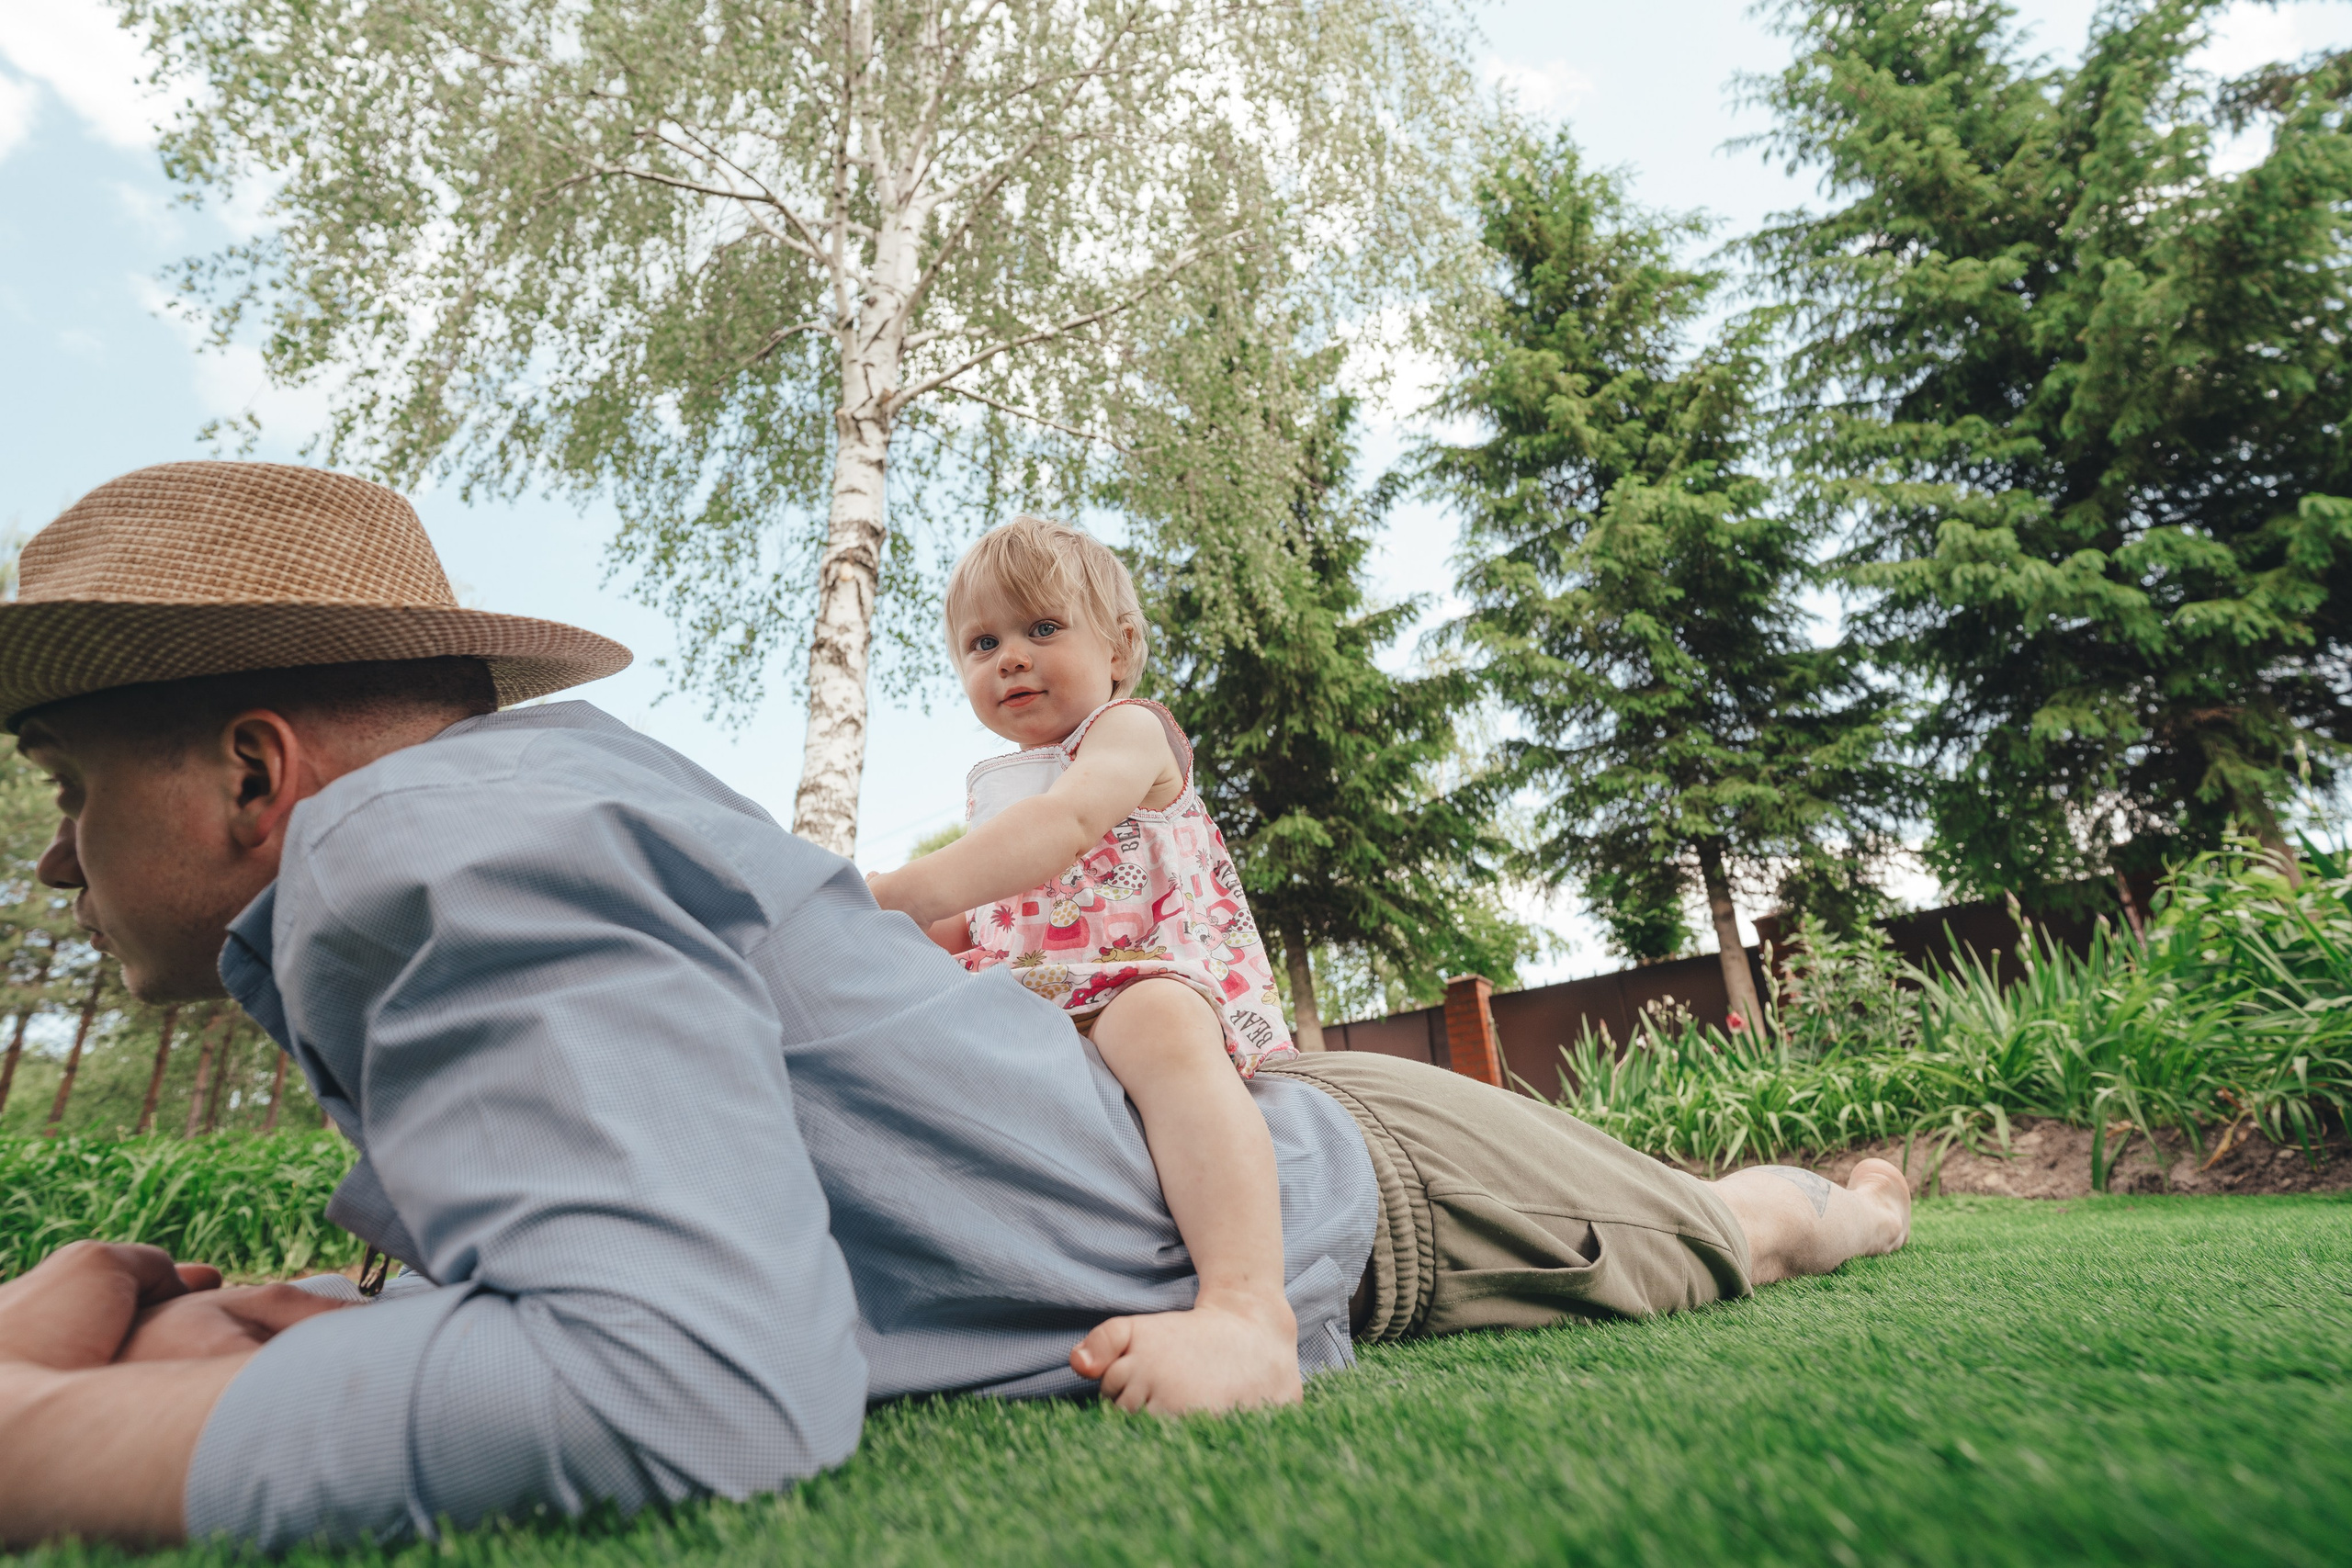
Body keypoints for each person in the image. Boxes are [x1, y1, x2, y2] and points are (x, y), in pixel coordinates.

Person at [0, 463, 1913, 1551]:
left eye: (74, 802)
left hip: (1384, 1200)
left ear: (259, 772)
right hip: (1212, 1111)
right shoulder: (500, 823)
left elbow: (691, 1380)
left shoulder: (416, 851)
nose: (54, 874)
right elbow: (707, 1235)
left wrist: (38, 1442)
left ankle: (1862, 1191)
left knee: (1742, 1223)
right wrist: (234, 1320)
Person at [865, 515, 1303, 1414]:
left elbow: (1063, 832)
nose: (1011, 659)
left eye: (1042, 629)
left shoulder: (1128, 734)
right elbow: (981, 918)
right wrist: (857, 927)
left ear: (1121, 648)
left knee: (1155, 1018)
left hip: (1145, 966)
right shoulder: (1000, 787)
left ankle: (1251, 1313)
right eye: (982, 643)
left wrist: (896, 890)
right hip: (1040, 989)